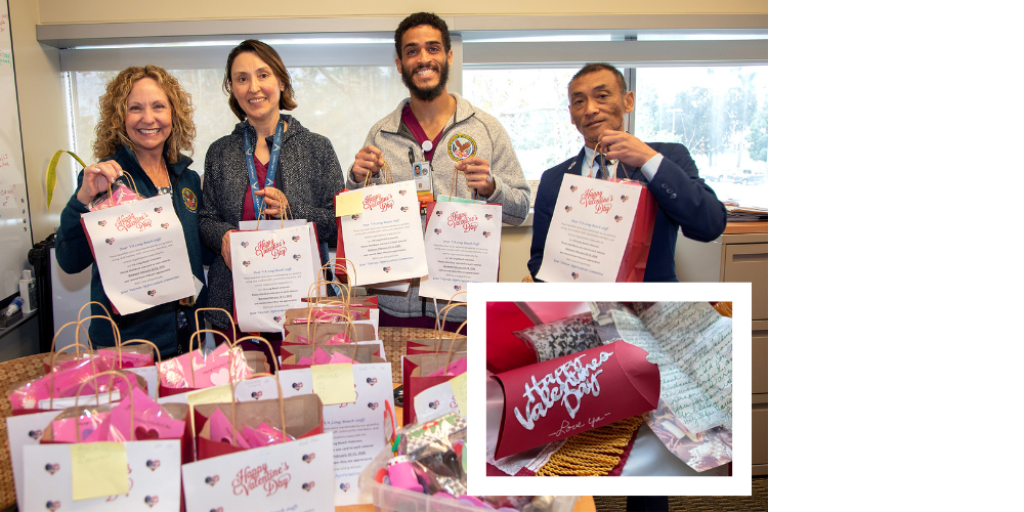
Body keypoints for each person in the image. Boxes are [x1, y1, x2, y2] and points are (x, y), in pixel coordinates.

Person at [349, 12, 531, 330]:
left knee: (463, 382)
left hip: (462, 308)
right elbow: (356, 221)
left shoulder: (487, 129)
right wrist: (354, 180)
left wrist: (492, 188)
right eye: (412, 51)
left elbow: (520, 210)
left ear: (448, 56)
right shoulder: (380, 135)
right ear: (399, 64)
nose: (423, 59)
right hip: (393, 308)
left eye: (433, 48)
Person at [199, 40, 344, 360]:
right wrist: (221, 234)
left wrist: (294, 212)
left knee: (304, 403)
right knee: (239, 406)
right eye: (241, 78)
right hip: (234, 310)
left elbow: (340, 224)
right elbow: (205, 219)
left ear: (280, 80)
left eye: (262, 75)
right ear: (232, 89)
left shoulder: (317, 148)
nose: (254, 87)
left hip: (304, 310)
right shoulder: (220, 152)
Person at [55, 65, 209, 358]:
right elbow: (70, 261)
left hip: (187, 338)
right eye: (135, 108)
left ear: (173, 115)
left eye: (158, 107)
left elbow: (203, 252)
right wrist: (82, 199)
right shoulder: (103, 181)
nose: (148, 118)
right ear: (119, 118)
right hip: (125, 346)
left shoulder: (188, 180)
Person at [528, 63, 728, 282]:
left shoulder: (668, 157)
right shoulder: (553, 179)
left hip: (651, 309)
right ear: (571, 115)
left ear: (628, 101)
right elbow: (540, 257)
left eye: (602, 96)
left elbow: (710, 225)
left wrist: (647, 160)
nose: (590, 109)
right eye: (579, 101)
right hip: (582, 310)